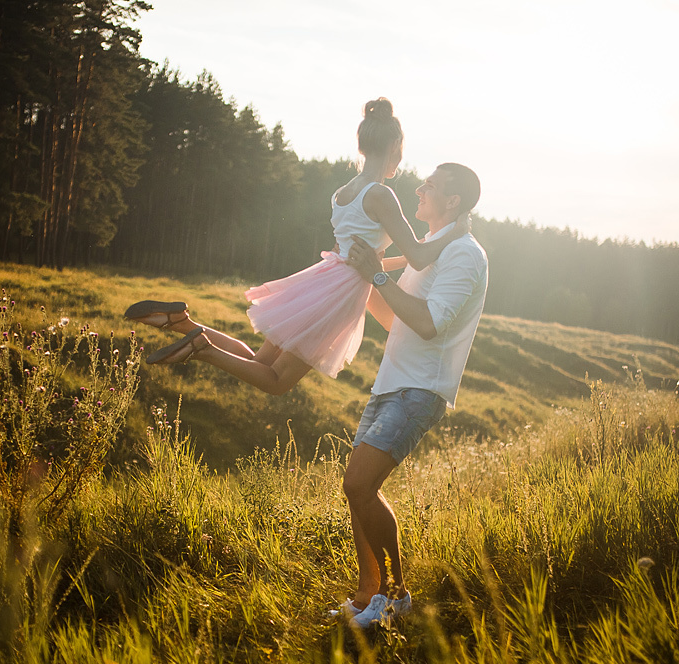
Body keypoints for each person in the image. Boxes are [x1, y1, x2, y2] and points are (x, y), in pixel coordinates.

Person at [123, 98, 466, 394]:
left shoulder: (344, 192)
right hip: (337, 296)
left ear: (363, 145)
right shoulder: (381, 194)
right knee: (275, 380)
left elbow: (361, 259)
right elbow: (419, 258)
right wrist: (455, 230)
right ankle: (202, 347)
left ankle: (182, 322)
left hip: (324, 280)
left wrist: (393, 263)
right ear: (395, 147)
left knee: (259, 362)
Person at [335, 162, 488, 629]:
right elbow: (394, 318)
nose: (419, 189)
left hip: (419, 390)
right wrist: (359, 277)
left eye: (431, 185)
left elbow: (426, 322)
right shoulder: (430, 255)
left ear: (454, 200)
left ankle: (396, 598)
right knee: (359, 491)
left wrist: (377, 277)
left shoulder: (465, 255)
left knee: (360, 486)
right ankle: (369, 596)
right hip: (391, 383)